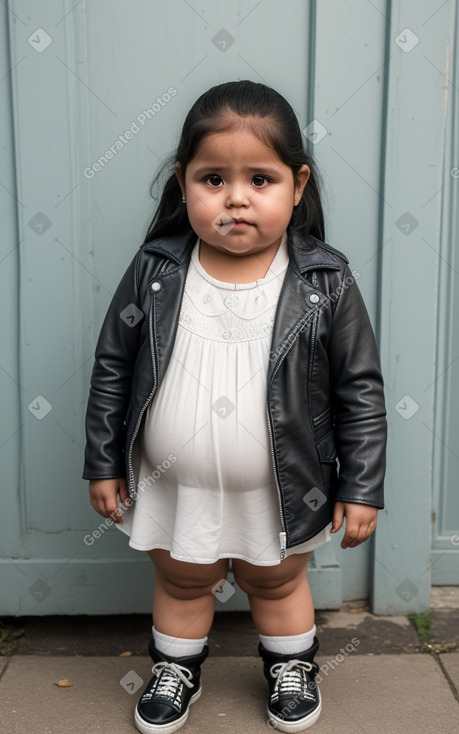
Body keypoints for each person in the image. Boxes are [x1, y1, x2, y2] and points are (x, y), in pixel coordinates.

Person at [83, 79, 387, 734]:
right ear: (183, 180)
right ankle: (174, 669)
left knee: (276, 583)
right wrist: (102, 462)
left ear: (297, 185)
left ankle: (290, 666)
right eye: (213, 178)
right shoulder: (156, 270)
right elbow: (112, 366)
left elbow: (358, 387)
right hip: (174, 486)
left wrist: (360, 487)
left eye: (261, 179)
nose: (236, 198)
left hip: (284, 487)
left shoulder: (323, 281)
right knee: (183, 582)